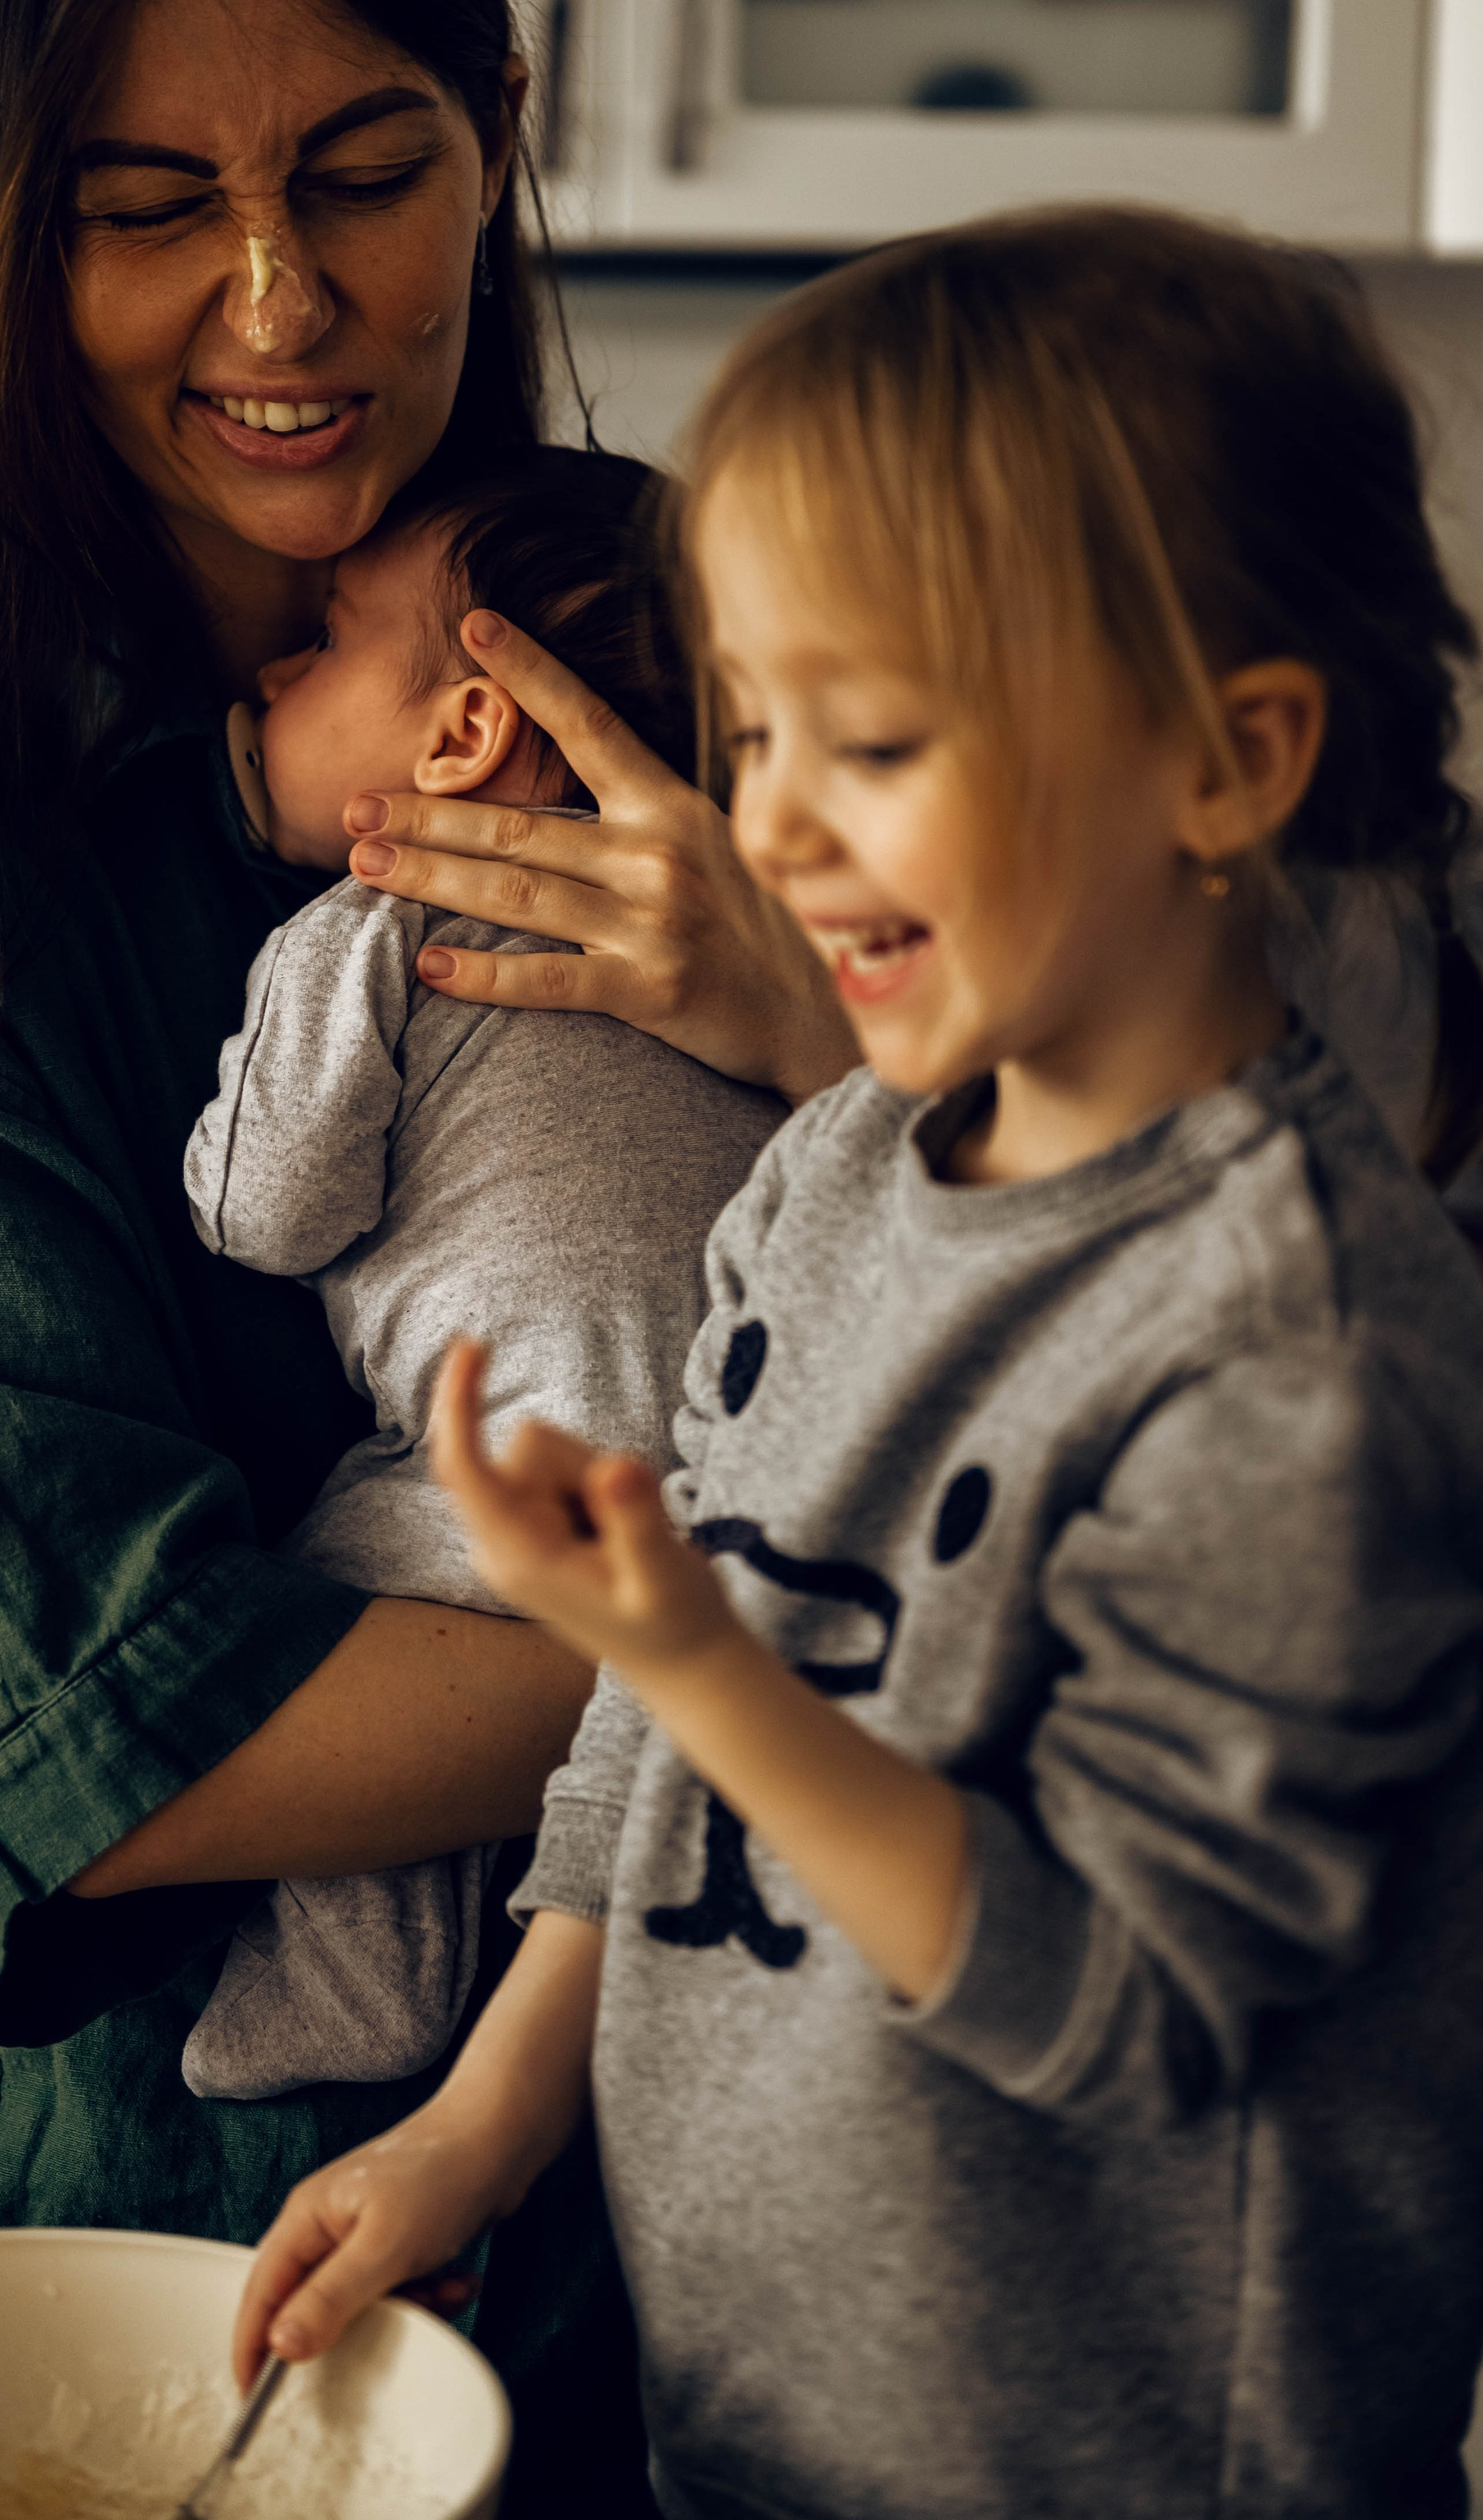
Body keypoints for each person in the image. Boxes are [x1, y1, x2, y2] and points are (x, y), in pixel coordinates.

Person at [0, 0, 855, 2517]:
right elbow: (146, 1741)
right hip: (181, 2301)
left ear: (502, 126)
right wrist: (816, 1630)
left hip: (744, 2286)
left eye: (361, 169)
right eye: (142, 211)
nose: (283, 305)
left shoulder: (742, 695)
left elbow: (1119, 1279)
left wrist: (816, 1051)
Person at [234, 207, 1483, 2520]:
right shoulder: (829, 1178)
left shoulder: (1302, 1363)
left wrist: (696, 1663)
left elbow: (1124, 2001)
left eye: (876, 737)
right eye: (761, 721)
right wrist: (476, 2128)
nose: (773, 824)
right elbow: (669, 1723)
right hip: (768, 2442)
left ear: (1230, 762)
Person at [181, 448, 781, 2103]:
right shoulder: (716, 927)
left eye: (324, 637)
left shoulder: (360, 927)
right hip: (737, 1472)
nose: (276, 669)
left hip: (502, 1472)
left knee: (335, 1599)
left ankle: (338, 2008)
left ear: (460, 737)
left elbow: (267, 1206)